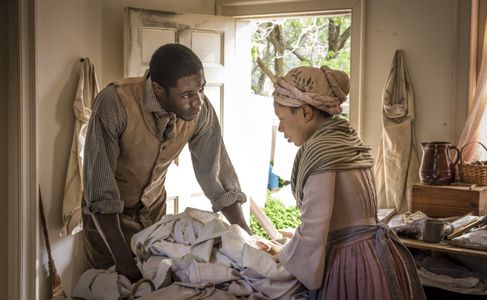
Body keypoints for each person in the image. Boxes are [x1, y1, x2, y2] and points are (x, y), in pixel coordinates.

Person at [82, 43, 251, 282]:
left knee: (156, 286)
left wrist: (246, 238)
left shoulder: (200, 110)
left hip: (154, 215)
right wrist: (123, 259)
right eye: (187, 94)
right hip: (108, 224)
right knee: (112, 287)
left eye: (201, 90)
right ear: (159, 90)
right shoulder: (115, 103)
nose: (198, 102)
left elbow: (217, 176)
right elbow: (99, 190)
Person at [270, 65, 426, 299]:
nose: (281, 128)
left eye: (282, 118)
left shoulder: (322, 151)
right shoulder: (347, 139)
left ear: (305, 112)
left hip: (350, 264)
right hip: (376, 255)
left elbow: (314, 230)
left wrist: (280, 261)